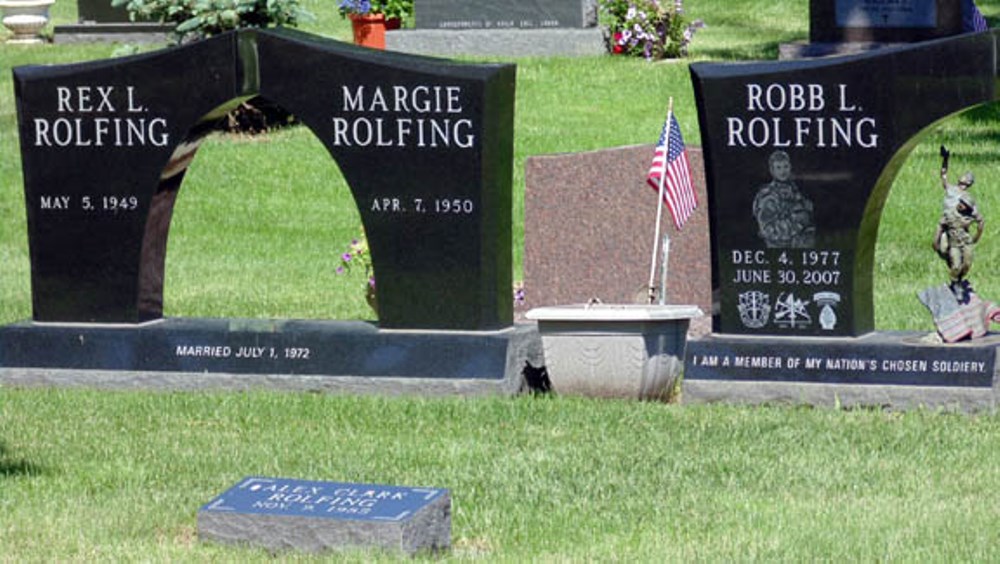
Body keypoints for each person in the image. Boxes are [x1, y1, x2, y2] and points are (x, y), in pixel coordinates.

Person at [934, 145, 984, 288]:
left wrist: (976, 235)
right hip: (946, 226)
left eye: (967, 180)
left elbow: (977, 218)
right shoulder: (951, 190)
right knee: (944, 250)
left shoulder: (968, 199)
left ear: (969, 183)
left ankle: (957, 279)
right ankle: (954, 273)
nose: (964, 180)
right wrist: (945, 159)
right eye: (963, 178)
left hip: (960, 230)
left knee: (962, 260)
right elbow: (943, 174)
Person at [752, 150, 815, 248]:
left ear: (790, 167)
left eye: (786, 166)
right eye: (778, 167)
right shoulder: (768, 196)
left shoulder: (793, 189)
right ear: (772, 170)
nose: (783, 171)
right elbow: (768, 230)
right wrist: (798, 221)